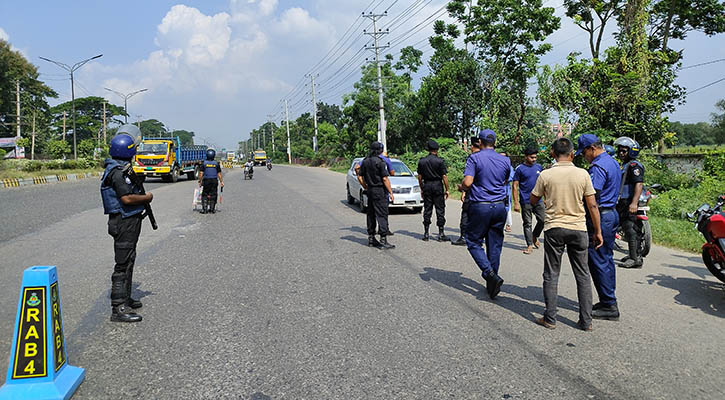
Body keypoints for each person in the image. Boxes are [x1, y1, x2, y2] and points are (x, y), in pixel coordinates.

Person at [529, 137, 602, 331]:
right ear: (572, 154)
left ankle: (550, 319)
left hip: (555, 228)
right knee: (583, 275)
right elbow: (592, 205)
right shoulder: (583, 174)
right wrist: (598, 231)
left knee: (551, 274)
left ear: (552, 153)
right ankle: (586, 322)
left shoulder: (545, 175)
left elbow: (533, 199)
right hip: (579, 228)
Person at [101, 125, 154, 323]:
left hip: (128, 221)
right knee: (122, 264)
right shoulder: (117, 172)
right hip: (123, 222)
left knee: (130, 258)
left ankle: (126, 297)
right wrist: (147, 197)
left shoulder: (119, 168)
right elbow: (126, 199)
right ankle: (118, 308)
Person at [577, 134, 622, 321]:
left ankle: (609, 304)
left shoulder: (598, 167)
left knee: (598, 260)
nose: (584, 157)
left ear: (592, 148)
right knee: (605, 258)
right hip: (610, 213)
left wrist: (596, 228)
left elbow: (592, 197)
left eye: (584, 153)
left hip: (601, 216)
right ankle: (607, 300)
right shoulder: (612, 162)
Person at [461, 129, 511, 299]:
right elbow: (504, 180)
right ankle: (492, 284)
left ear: (480, 143)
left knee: (473, 241)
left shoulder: (474, 158)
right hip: (499, 206)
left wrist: (462, 187)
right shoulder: (505, 160)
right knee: (494, 244)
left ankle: (490, 274)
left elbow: (468, 182)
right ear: (495, 143)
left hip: (480, 205)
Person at [358, 141, 395, 249]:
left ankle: (371, 238)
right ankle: (383, 239)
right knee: (382, 214)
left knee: (371, 214)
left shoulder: (365, 161)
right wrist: (391, 192)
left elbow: (359, 176)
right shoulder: (380, 162)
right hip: (380, 191)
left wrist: (365, 186)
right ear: (380, 150)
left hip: (370, 190)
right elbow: (385, 178)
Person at [615, 136, 645, 268]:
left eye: (624, 151)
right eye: (620, 151)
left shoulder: (634, 166)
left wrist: (634, 203)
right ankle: (634, 255)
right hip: (623, 201)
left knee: (630, 229)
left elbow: (639, 184)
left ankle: (635, 259)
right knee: (628, 230)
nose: (621, 153)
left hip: (629, 201)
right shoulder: (626, 165)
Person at [513, 146, 545, 254]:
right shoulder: (519, 169)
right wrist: (516, 203)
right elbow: (515, 186)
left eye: (535, 157)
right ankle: (529, 245)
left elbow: (543, 184)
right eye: (532, 157)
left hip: (538, 199)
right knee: (527, 223)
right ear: (526, 157)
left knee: (543, 220)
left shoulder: (539, 167)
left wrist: (546, 197)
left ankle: (535, 235)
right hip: (525, 200)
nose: (534, 159)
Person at [417, 139, 450, 241]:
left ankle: (426, 233)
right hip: (437, 186)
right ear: (437, 149)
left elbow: (419, 177)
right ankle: (441, 233)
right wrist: (447, 189)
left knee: (427, 209)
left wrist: (422, 188)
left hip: (427, 185)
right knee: (440, 210)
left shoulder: (422, 161)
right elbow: (444, 176)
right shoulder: (440, 161)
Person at [452, 136, 481, 246]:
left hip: (472, 192)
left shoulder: (472, 158)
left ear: (472, 147)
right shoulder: (488, 158)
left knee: (466, 214)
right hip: (483, 194)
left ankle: (464, 236)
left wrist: (463, 190)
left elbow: (468, 180)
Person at [198, 149, 224, 213]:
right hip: (214, 181)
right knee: (214, 194)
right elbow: (219, 174)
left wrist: (199, 181)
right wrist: (221, 182)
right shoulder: (216, 164)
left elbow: (201, 174)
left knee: (205, 194)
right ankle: (212, 209)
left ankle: (204, 209)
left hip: (206, 181)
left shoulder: (204, 163)